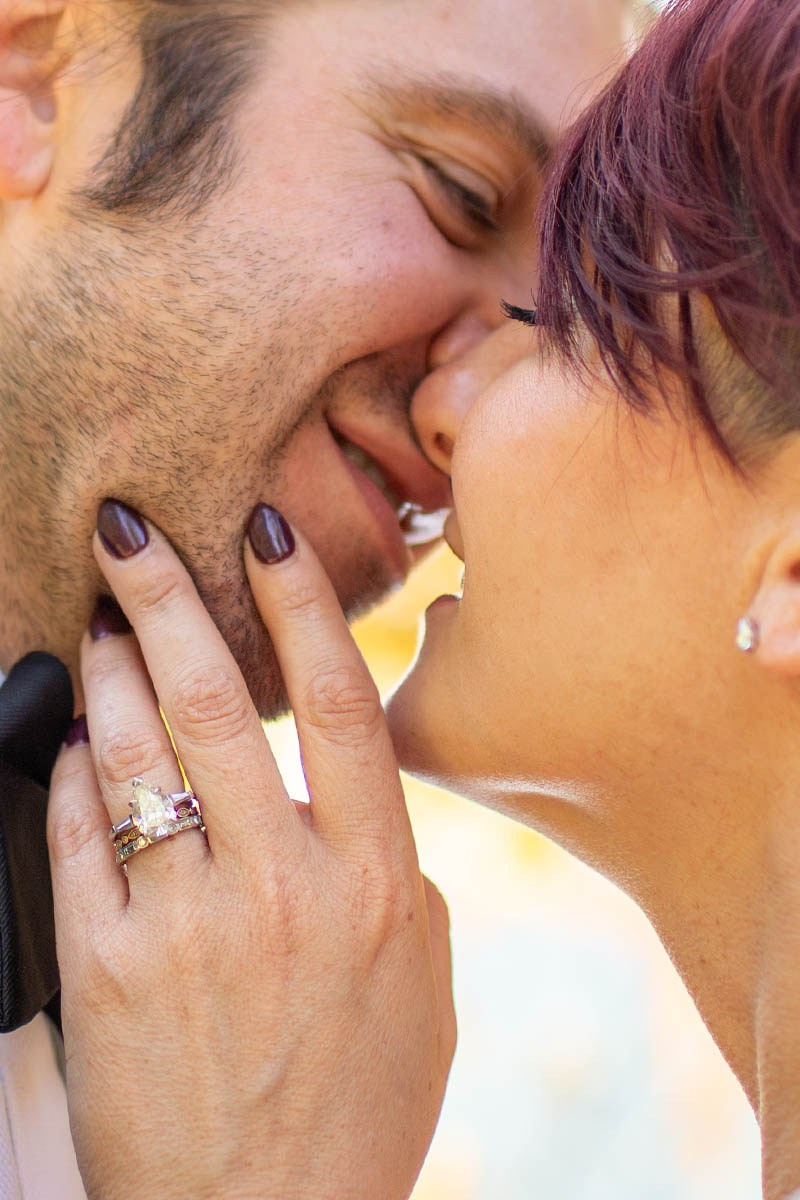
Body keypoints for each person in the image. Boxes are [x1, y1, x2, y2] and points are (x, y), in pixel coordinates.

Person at [0, 0, 631, 1195]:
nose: (483, 393)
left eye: (565, 319)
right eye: (457, 191)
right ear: (38, 86)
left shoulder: (231, 1028)